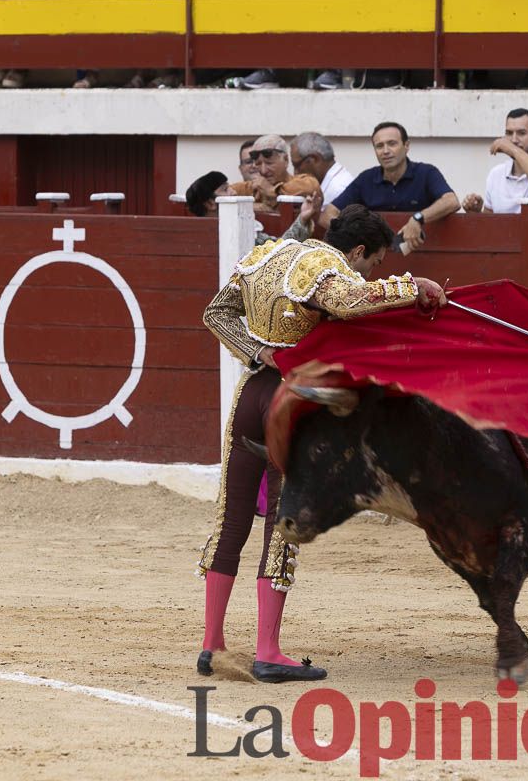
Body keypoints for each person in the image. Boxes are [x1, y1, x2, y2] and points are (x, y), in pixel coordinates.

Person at [197, 205, 447, 683]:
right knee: (281, 523)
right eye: (372, 263)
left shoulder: (269, 255)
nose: (369, 273)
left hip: (250, 394)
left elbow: (216, 314)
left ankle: (212, 645)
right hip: (291, 404)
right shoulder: (324, 267)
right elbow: (349, 301)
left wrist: (259, 352)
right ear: (356, 250)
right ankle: (268, 650)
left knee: (230, 520)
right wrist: (411, 287)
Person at [324, 122, 459, 254]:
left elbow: (451, 201)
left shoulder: (426, 173)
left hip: (426, 258)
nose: (386, 151)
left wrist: (417, 219)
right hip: (375, 261)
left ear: (406, 145)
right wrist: (353, 236)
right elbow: (329, 213)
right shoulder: (366, 179)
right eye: (379, 146)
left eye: (392, 144)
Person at [462, 108, 528, 214]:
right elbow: (490, 221)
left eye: (521, 133)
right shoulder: (496, 174)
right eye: (509, 133)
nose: (513, 140)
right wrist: (476, 213)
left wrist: (513, 150)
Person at [185, 170, 322, 244]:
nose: (234, 192)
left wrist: (303, 219)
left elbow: (277, 249)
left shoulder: (190, 237)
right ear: (210, 204)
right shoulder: (240, 229)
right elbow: (278, 251)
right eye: (225, 189)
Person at [230, 135, 321, 213]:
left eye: (269, 163)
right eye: (258, 164)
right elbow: (223, 192)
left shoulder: (304, 183)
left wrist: (271, 191)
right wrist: (249, 207)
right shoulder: (252, 188)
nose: (263, 171)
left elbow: (311, 187)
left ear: (285, 160)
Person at [290, 132, 354, 205]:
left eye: (297, 165)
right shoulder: (334, 182)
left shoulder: (337, 190)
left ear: (314, 159)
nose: (295, 173)